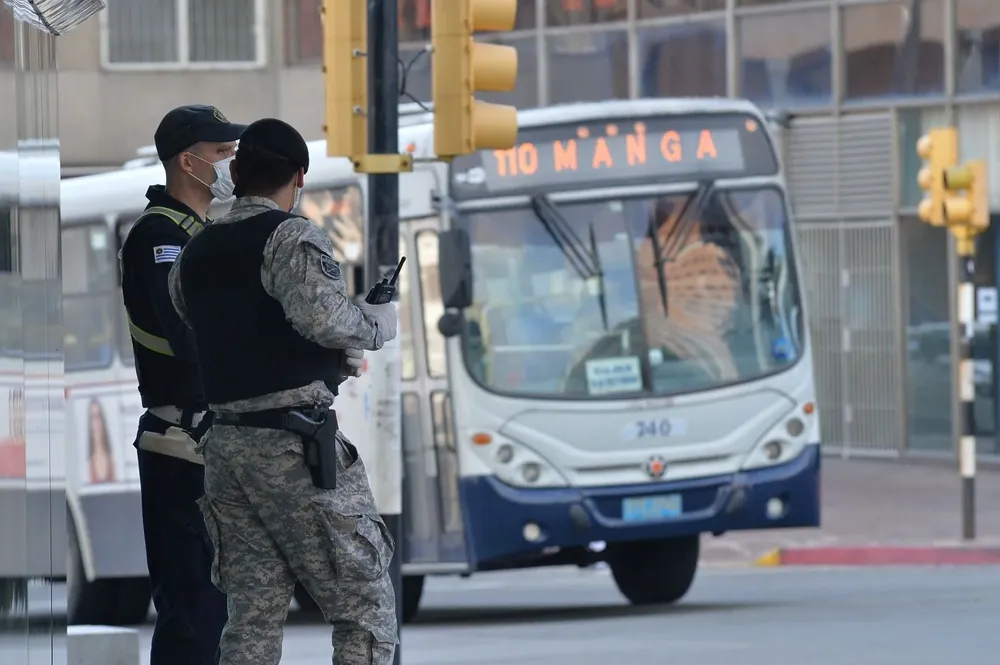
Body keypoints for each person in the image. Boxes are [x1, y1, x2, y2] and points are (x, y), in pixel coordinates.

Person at [167, 118, 399, 665]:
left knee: (252, 614)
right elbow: (325, 319)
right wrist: (372, 325)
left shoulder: (195, 250)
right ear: (299, 177)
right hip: (293, 449)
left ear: (237, 173)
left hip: (227, 450)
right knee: (363, 605)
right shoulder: (290, 236)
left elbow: (193, 319)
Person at [118, 104, 245, 665]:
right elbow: (190, 332)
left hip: (212, 441)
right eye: (222, 154)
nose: (231, 165)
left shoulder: (202, 232)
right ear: (188, 162)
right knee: (192, 602)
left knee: (219, 600)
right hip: (181, 441)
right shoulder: (160, 236)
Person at [87, 398, 115, 484]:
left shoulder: (111, 458)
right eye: (93, 418)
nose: (96, 423)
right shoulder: (89, 462)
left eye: (99, 417)